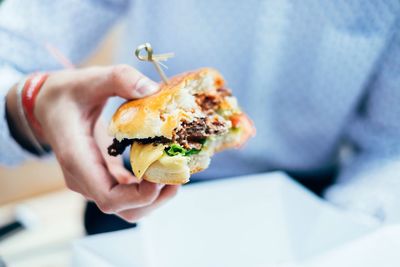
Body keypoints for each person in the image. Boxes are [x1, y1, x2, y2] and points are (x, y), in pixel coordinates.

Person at [1, 0, 400, 228]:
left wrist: (343, 232)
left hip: (318, 201)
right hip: (133, 202)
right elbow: (11, 48)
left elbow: (390, 146)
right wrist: (30, 104)